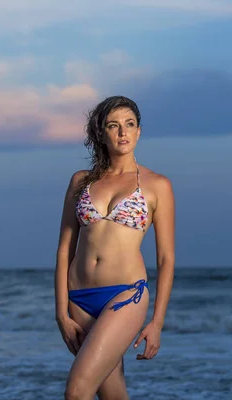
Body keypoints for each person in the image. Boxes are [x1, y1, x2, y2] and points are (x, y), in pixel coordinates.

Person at [54, 96, 176, 400]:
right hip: (78, 300)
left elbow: (166, 258)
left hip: (126, 295)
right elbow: (64, 250)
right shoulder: (80, 181)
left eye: (129, 125)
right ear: (101, 133)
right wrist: (60, 313)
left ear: (139, 132)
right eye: (113, 125)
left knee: (77, 391)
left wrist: (157, 322)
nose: (123, 132)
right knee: (113, 394)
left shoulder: (157, 184)